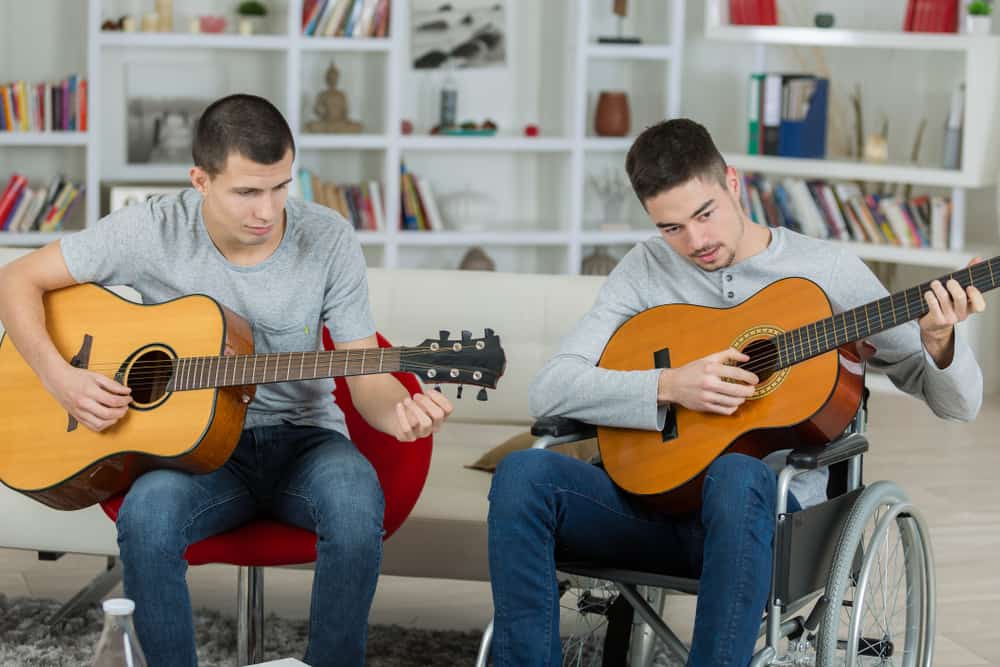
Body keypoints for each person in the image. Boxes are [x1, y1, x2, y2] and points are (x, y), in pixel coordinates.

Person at [486, 118, 984, 666]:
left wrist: (940, 343)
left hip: (773, 526)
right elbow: (549, 390)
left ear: (733, 182)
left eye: (705, 214)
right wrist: (670, 385)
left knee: (738, 473)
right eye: (671, 228)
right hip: (651, 507)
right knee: (522, 473)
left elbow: (959, 406)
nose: (695, 242)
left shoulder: (824, 270)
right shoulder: (644, 270)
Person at [0, 94, 453, 667]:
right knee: (148, 517)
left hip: (304, 440)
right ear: (201, 180)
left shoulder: (328, 236)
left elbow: (366, 371)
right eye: (247, 191)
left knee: (356, 504)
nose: (268, 210)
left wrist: (399, 413)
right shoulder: (149, 229)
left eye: (281, 186)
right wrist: (60, 376)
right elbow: (16, 280)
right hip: (193, 456)